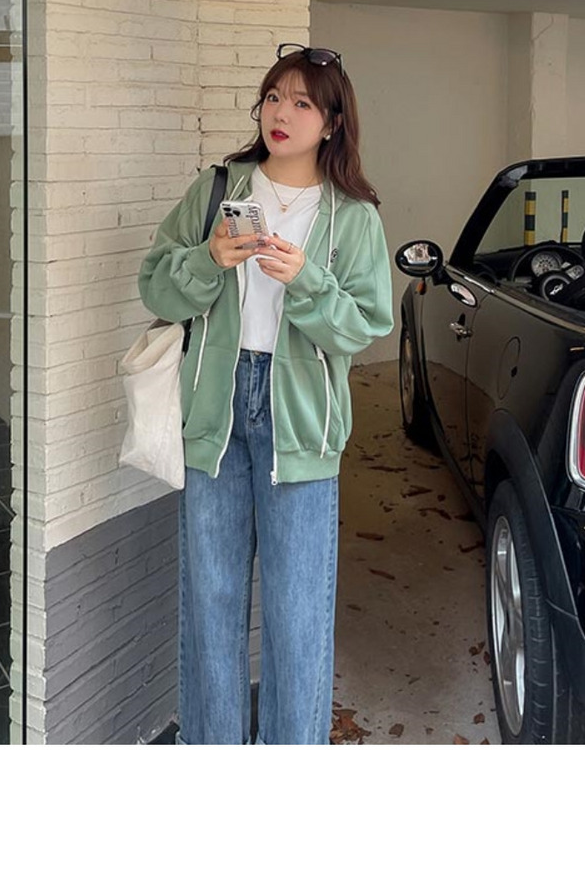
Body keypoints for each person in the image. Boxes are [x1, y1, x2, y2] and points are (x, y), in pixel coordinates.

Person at [138, 43, 394, 744]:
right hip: (215, 414)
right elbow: (156, 286)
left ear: (332, 123)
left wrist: (306, 280)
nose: (281, 113)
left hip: (299, 426)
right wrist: (207, 259)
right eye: (274, 97)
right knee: (211, 606)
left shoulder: (353, 216)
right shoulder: (220, 188)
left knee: (297, 616)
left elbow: (365, 325)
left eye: (302, 102)